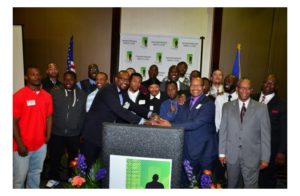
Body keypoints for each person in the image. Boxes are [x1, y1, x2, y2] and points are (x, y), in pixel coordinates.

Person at [153, 77, 218, 187]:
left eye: (198, 85)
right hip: (188, 151)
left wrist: (170, 125)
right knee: (188, 184)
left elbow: (196, 123)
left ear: (203, 87)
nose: (195, 88)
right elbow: (178, 120)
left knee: (204, 185)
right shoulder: (185, 102)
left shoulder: (209, 104)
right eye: (193, 85)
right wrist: (161, 121)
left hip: (204, 152)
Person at [81, 71, 148, 168]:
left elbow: (132, 105)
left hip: (103, 132)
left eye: (127, 79)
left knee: (98, 165)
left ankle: (95, 182)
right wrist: (143, 121)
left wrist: (150, 114)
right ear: (116, 79)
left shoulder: (122, 92)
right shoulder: (108, 90)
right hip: (93, 132)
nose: (125, 82)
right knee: (87, 164)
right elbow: (119, 110)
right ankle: (81, 182)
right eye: (122, 79)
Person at [218, 78, 271, 188]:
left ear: (251, 90)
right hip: (231, 155)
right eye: (242, 88)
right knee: (231, 186)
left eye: (247, 88)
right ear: (237, 89)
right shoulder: (227, 107)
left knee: (250, 187)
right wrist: (221, 153)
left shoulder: (261, 108)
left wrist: (265, 157)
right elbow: (223, 130)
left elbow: (265, 135)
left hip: (252, 156)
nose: (244, 91)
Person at [13, 67, 53, 188]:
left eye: (38, 74)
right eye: (33, 74)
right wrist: (19, 144)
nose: (37, 77)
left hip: (40, 145)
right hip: (22, 146)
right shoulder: (18, 96)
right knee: (19, 178)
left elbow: (49, 117)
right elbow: (12, 122)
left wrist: (48, 136)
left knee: (35, 174)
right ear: (26, 77)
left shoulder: (46, 96)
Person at [46, 71, 87, 188]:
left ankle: (71, 176)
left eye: (71, 80)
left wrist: (79, 130)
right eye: (66, 79)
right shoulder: (55, 92)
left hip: (74, 133)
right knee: (55, 157)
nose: (68, 82)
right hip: (57, 132)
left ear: (75, 80)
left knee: (73, 157)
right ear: (63, 79)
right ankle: (54, 178)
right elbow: (49, 112)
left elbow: (83, 114)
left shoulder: (82, 94)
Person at [251, 74, 287, 188]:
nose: (268, 85)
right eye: (266, 82)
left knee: (267, 179)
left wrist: (282, 152)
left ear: (276, 86)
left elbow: (285, 129)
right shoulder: (251, 98)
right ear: (262, 83)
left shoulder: (282, 104)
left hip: (271, 149)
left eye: (271, 83)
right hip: (250, 147)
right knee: (249, 176)